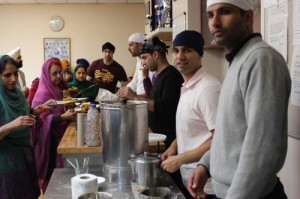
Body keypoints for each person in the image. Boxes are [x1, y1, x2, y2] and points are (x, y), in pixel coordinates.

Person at [188, 1, 291, 199]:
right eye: (210, 15)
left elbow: (261, 151)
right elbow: (232, 133)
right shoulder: (239, 60)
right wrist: (206, 165)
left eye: (225, 12)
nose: (214, 22)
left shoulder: (261, 60)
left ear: (248, 18)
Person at [161, 30, 221, 199]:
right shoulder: (188, 86)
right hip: (190, 181)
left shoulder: (208, 88)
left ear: (200, 55)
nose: (180, 56)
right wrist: (174, 147)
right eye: (176, 50)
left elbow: (220, 139)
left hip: (208, 187)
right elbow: (191, 129)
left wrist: (180, 160)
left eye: (187, 50)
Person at [0, 55, 55, 199]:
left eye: (15, 73)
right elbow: (16, 122)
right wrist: (11, 125)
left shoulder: (17, 93)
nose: (13, 79)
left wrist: (39, 109)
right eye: (7, 75)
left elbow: (25, 116)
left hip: (25, 158)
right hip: (6, 165)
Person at [116, 36, 184, 148]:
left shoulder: (171, 76)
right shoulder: (160, 75)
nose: (143, 62)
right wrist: (144, 78)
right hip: (156, 134)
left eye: (144, 58)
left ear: (156, 55)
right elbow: (152, 95)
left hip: (166, 141)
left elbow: (165, 107)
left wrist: (134, 97)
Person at [31, 57, 76, 193]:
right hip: (48, 142)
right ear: (46, 74)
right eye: (54, 73)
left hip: (57, 139)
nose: (58, 77)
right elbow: (38, 119)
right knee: (50, 179)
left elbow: (58, 108)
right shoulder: (42, 93)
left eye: (60, 73)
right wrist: (63, 116)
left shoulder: (56, 89)